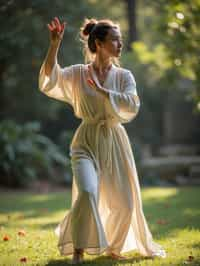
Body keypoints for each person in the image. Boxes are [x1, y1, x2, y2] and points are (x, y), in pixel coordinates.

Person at [38, 16, 167, 264]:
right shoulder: (77, 73)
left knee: (126, 205)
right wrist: (54, 45)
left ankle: (113, 246)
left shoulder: (124, 76)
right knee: (87, 191)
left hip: (115, 140)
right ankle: (79, 248)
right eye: (115, 40)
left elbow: (132, 103)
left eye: (120, 40)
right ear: (98, 43)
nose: (120, 45)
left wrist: (103, 92)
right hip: (86, 141)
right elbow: (49, 80)